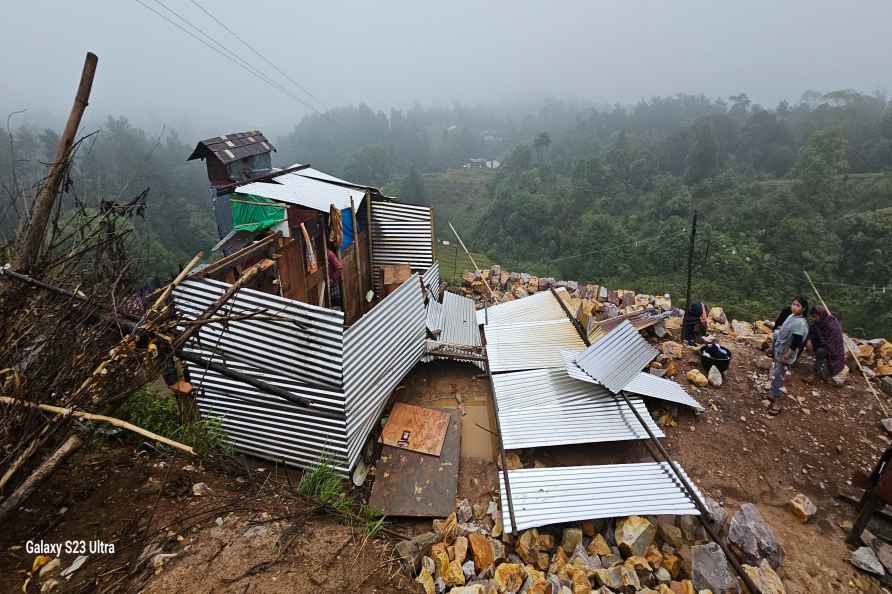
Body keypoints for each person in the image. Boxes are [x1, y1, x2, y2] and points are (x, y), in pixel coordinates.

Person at [768, 295, 809, 413]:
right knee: (776, 374)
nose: (794, 307)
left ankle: (778, 403)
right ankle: (772, 394)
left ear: (803, 308)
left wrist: (788, 353)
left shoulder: (800, 323)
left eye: (798, 305)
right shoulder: (792, 316)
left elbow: (797, 341)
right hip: (780, 351)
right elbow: (781, 331)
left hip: (786, 355)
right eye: (793, 304)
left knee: (780, 377)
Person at [809, 305, 848, 385]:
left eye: (815, 317)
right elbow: (812, 330)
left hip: (833, 350)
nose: (814, 319)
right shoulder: (819, 323)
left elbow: (832, 343)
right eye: (813, 317)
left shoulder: (832, 325)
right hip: (823, 343)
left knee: (820, 352)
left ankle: (815, 374)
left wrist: (820, 345)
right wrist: (809, 341)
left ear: (821, 315)